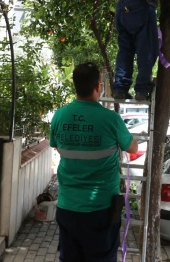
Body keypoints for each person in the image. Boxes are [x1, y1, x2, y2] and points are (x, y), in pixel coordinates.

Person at [50, 62, 138, 262]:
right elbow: (132, 148)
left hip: (67, 207)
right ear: (99, 86)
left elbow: (57, 146)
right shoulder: (110, 119)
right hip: (101, 210)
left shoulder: (60, 116)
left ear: (76, 85)